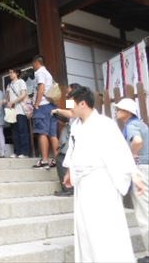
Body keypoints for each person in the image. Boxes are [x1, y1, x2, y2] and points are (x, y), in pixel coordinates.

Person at [62, 86, 144, 263]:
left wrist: (133, 174)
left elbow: (120, 151)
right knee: (85, 229)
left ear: (82, 103)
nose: (70, 110)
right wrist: (69, 170)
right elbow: (73, 150)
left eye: (72, 105)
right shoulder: (76, 126)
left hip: (101, 183)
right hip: (83, 183)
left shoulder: (105, 124)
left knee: (105, 228)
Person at [115, 98, 149, 263]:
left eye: (119, 109)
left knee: (144, 212)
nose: (116, 111)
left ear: (128, 112)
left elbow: (137, 141)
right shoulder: (142, 124)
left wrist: (132, 154)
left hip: (141, 169)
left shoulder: (131, 125)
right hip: (147, 166)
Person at [51, 83, 81, 197]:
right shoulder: (70, 100)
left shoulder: (78, 101)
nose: (67, 94)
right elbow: (69, 116)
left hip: (75, 136)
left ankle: (68, 189)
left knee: (61, 159)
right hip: (71, 133)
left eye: (69, 92)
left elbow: (71, 114)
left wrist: (57, 110)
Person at [31, 55, 58, 169]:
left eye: (33, 64)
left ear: (37, 62)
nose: (33, 66)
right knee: (52, 134)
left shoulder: (39, 73)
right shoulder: (48, 73)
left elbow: (41, 88)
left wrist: (36, 103)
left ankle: (45, 160)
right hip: (51, 106)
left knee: (42, 133)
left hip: (42, 105)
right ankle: (57, 159)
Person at [6, 69, 31, 158]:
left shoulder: (21, 82)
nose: (10, 74)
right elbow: (7, 97)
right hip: (13, 111)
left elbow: (23, 94)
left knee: (22, 131)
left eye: (12, 72)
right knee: (14, 132)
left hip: (21, 110)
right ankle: (17, 151)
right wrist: (5, 101)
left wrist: (12, 102)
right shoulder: (9, 85)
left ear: (17, 73)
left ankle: (25, 152)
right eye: (9, 73)